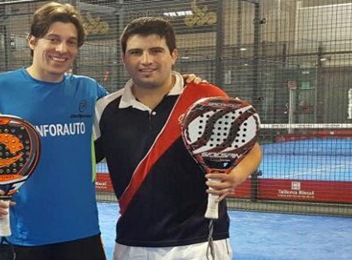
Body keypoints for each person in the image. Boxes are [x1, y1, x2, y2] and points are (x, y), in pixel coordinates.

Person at [94, 17, 262, 260]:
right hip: (132, 243)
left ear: (173, 55)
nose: (146, 60)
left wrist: (234, 176)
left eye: (156, 51)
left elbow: (251, 149)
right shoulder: (104, 110)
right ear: (123, 59)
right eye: (136, 52)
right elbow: (80, 166)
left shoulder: (205, 97)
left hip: (200, 242)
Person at [0, 2, 107, 259]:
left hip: (81, 231)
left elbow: (131, 108)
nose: (62, 49)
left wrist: (181, 84)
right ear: (32, 41)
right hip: (18, 232)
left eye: (71, 42)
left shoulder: (89, 90)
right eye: (53, 39)